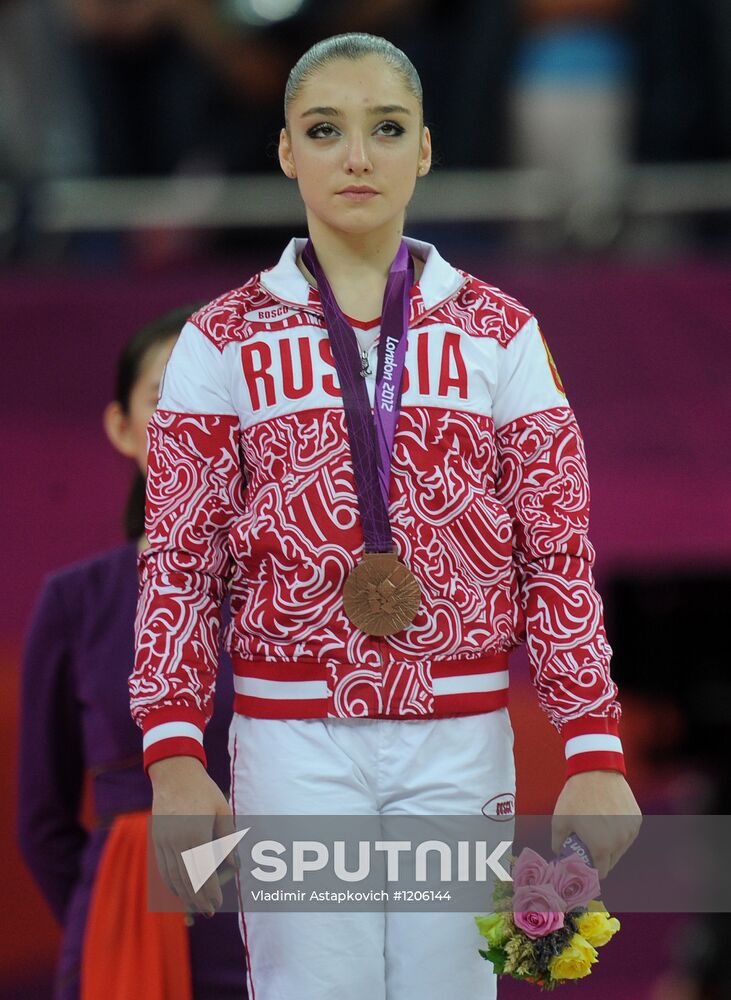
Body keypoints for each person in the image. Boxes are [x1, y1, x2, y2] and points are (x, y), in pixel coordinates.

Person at [129, 32, 642, 999]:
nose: (356, 156)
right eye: (325, 130)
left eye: (385, 128)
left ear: (426, 149)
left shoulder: (500, 330)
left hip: (459, 735)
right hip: (290, 737)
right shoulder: (219, 337)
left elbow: (556, 553)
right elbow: (180, 561)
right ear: (285, 152)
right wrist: (173, 754)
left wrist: (592, 746)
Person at [17, 306, 247, 1000]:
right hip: (133, 932)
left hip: (299, 918)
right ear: (121, 427)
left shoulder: (316, 590)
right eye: (166, 397)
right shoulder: (76, 600)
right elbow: (43, 822)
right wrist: (111, 916)